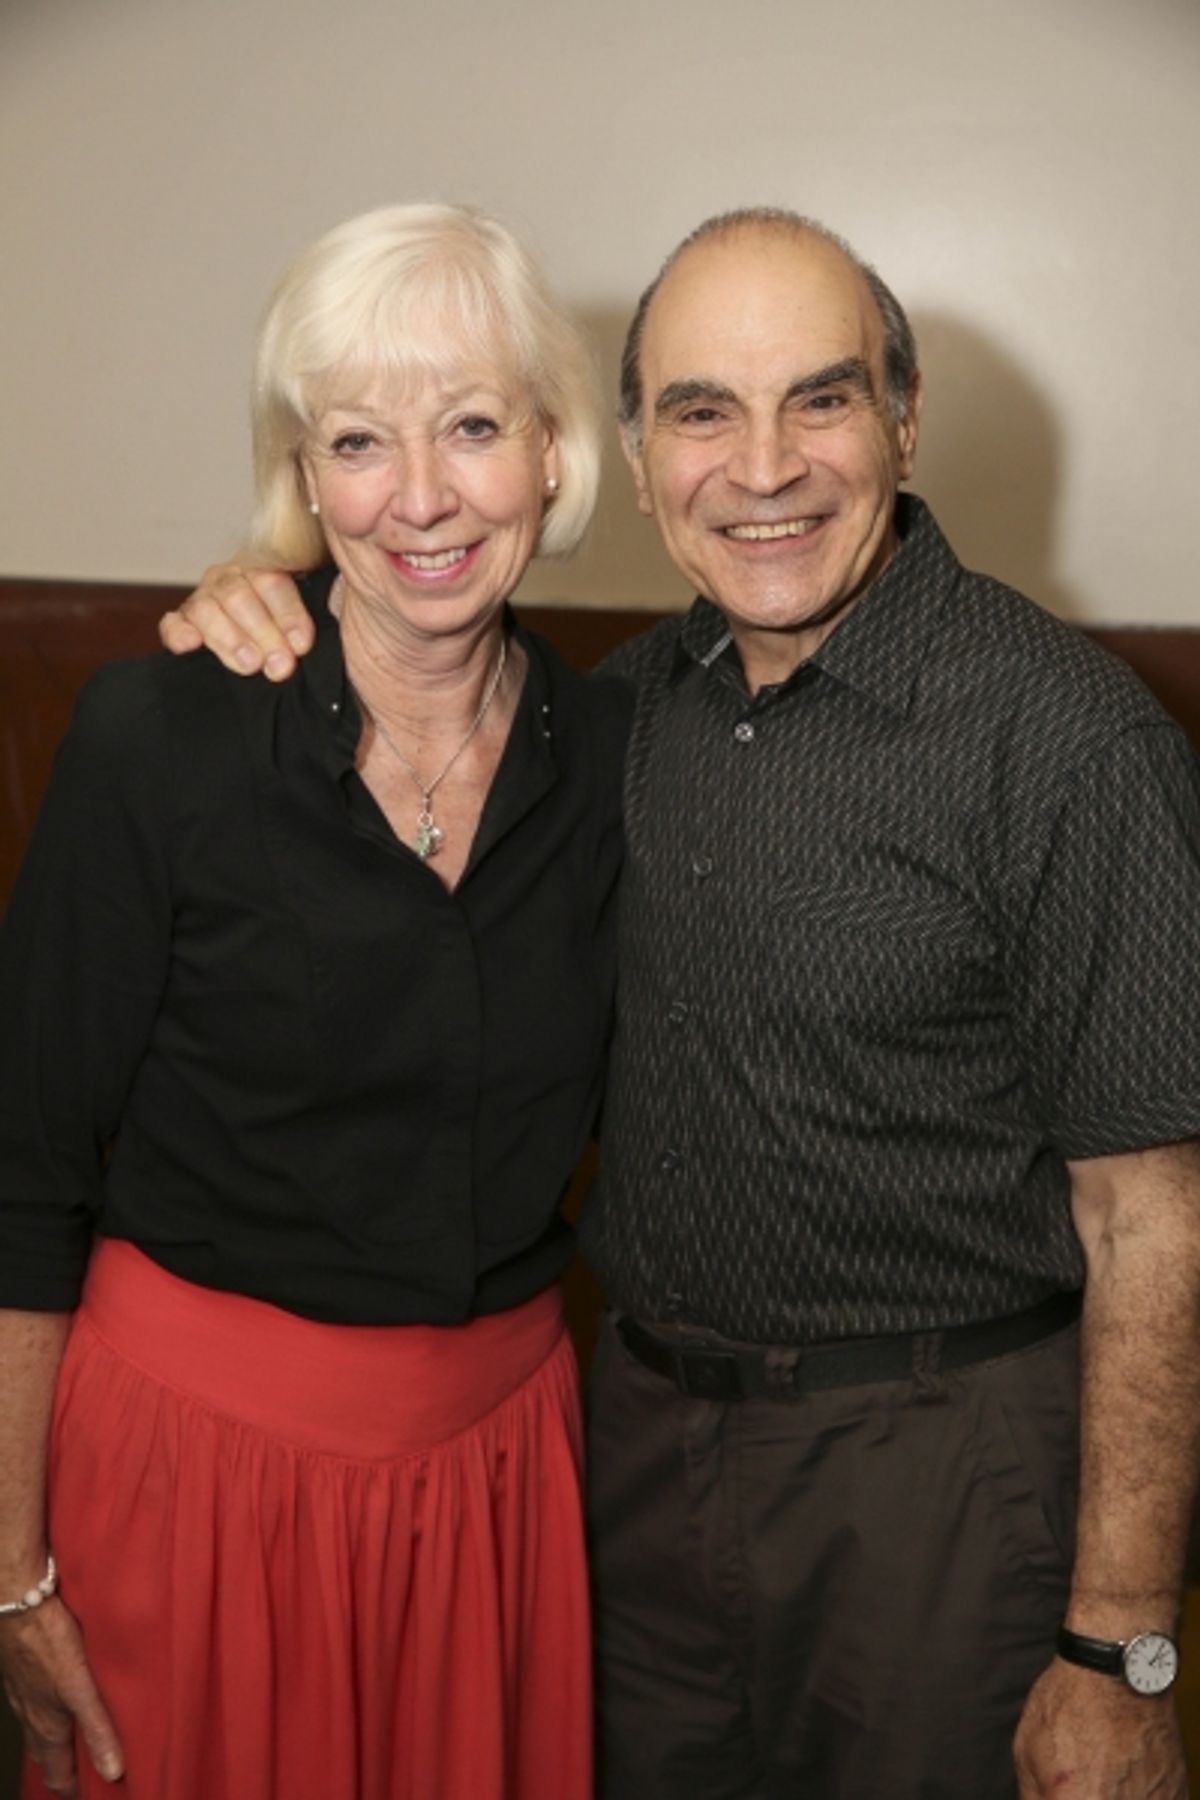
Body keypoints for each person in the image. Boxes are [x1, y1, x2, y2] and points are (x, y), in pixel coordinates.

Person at [159, 208, 1200, 1800]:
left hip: (940, 1480)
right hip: (633, 1467)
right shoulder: (612, 715)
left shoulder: (1067, 741)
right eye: (704, 411)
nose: (763, 466)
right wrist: (267, 582)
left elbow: (1155, 1222)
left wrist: (1122, 1647)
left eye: (824, 399)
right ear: (633, 459)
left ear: (904, 419)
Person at [0, 201, 631, 1800]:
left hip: (497, 1485)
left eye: (474, 427)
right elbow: (21, 1175)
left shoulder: (632, 754)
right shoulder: (159, 737)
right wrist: (8, 1568)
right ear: (305, 479)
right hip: (188, 1477)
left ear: (554, 456)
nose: (419, 496)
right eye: (359, 441)